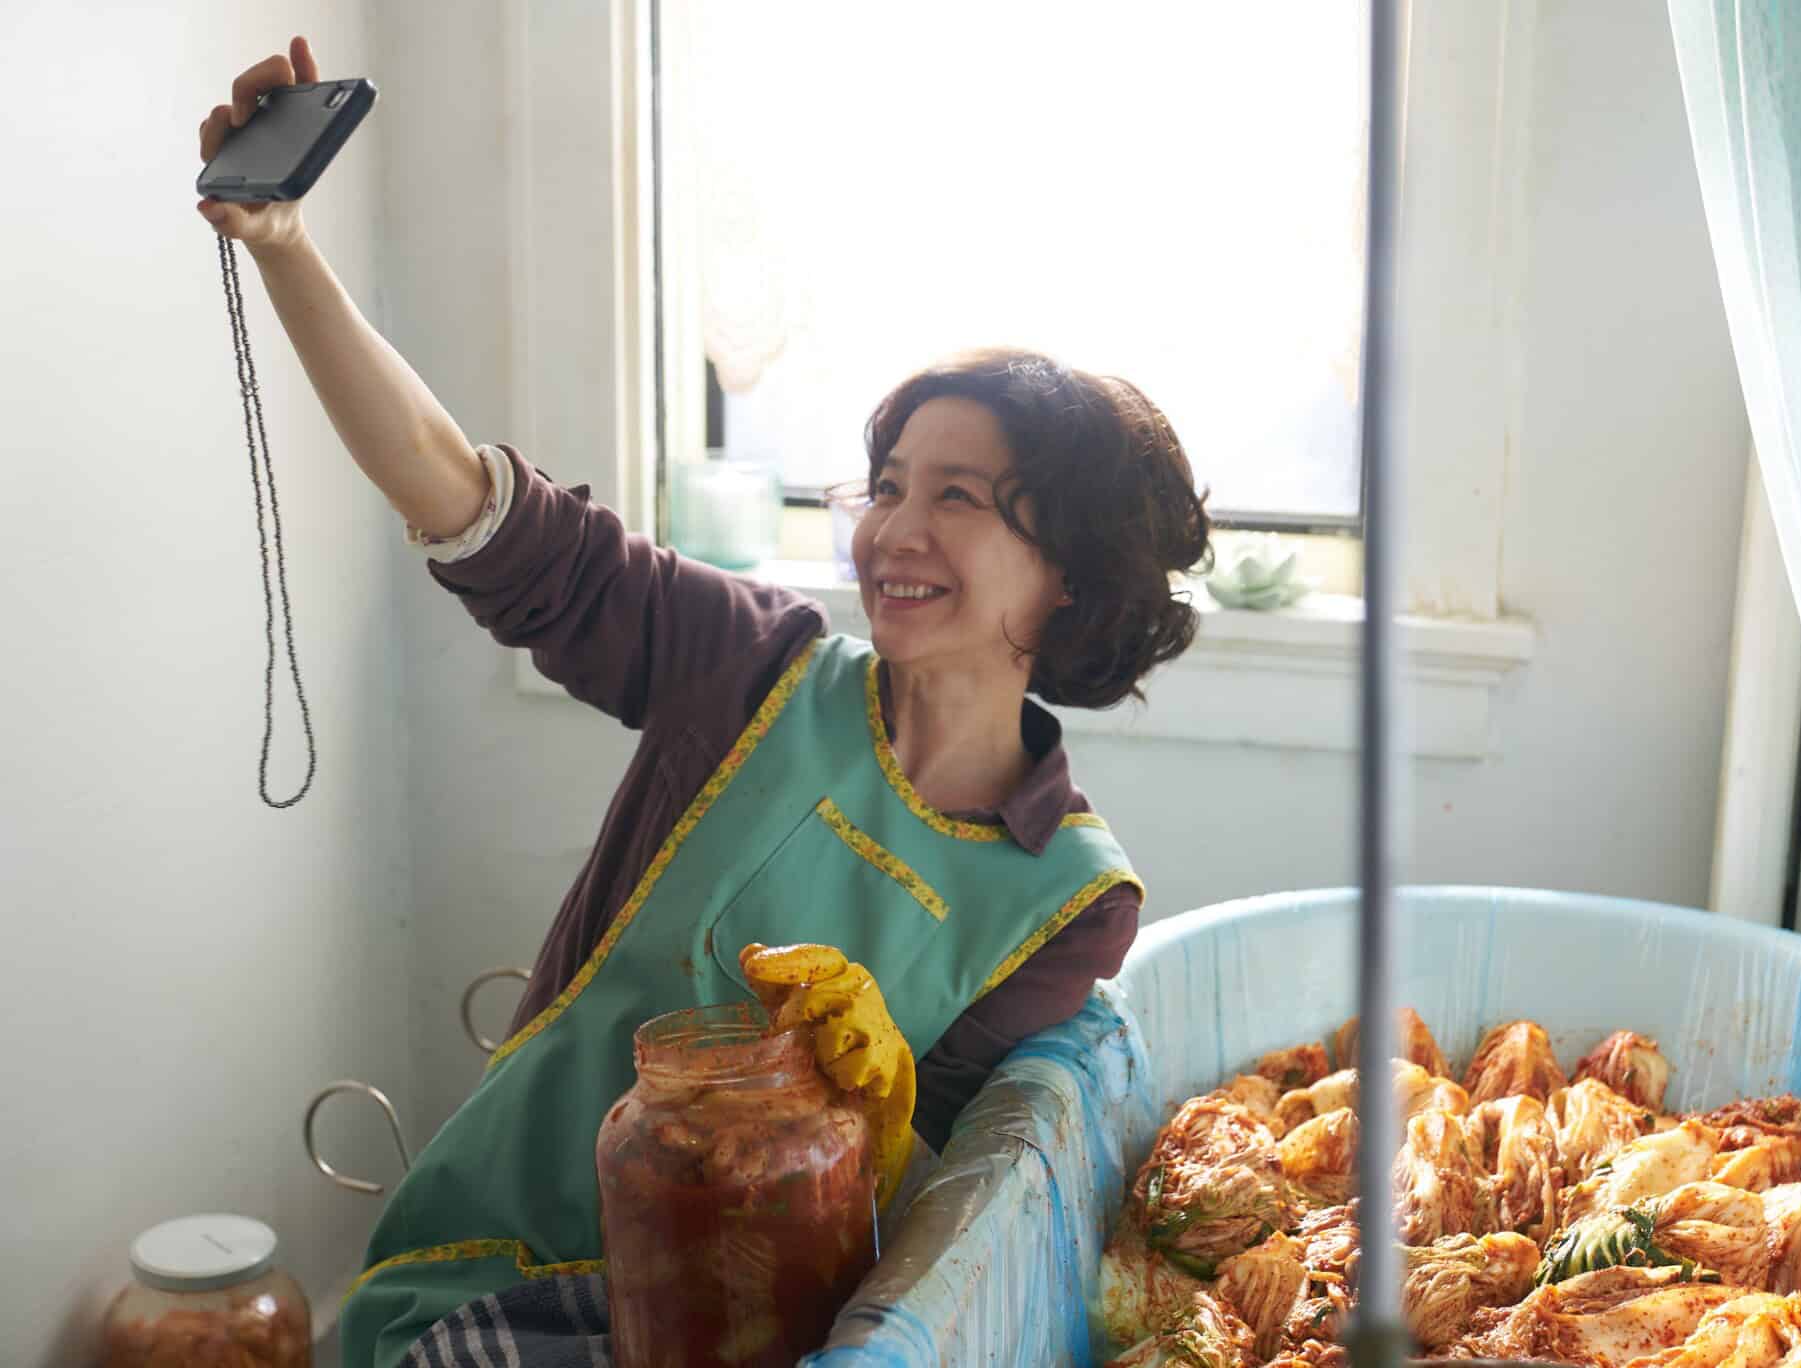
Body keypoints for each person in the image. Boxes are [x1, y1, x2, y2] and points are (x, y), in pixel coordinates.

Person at [200, 37, 1211, 1367]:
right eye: (888, 484)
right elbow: (465, 503)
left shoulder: (1073, 901)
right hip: (498, 1270)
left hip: (770, 1328)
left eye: (957, 498)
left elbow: (943, 1224)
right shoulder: (752, 670)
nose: (896, 529)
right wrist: (283, 248)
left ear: (1072, 579)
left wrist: (879, 1106)